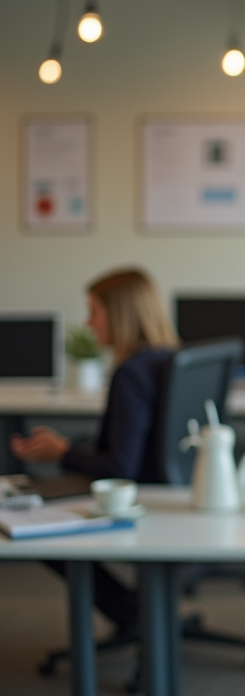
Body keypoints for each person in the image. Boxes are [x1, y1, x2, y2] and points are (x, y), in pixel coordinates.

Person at [9, 267, 179, 636]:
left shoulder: (131, 372)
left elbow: (118, 466)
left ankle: (129, 611)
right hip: (168, 489)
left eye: (94, 312)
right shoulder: (164, 357)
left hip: (132, 494)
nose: (88, 324)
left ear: (120, 314)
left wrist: (62, 451)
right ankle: (132, 609)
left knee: (28, 511)